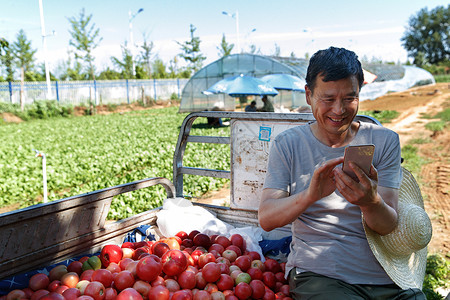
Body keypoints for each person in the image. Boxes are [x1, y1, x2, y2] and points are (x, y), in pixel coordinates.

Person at [258, 47, 428, 299]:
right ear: (308, 95)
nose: (339, 110)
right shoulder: (288, 144)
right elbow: (267, 218)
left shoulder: (384, 141)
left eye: (350, 98)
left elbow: (387, 225)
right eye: (328, 99)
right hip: (322, 276)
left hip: (387, 278)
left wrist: (370, 203)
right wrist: (310, 195)